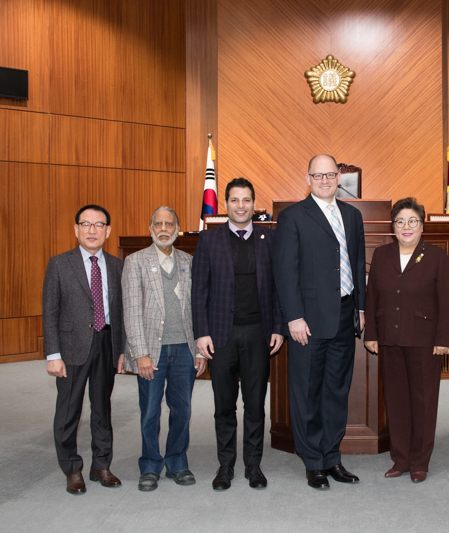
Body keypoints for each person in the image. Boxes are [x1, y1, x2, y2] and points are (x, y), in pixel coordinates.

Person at [272, 154, 366, 490]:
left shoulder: (353, 216)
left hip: (344, 314)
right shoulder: (293, 217)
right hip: (307, 321)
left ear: (339, 177)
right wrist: (293, 316)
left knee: (336, 391)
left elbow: (356, 263)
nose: (325, 180)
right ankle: (313, 461)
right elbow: (284, 271)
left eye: (330, 174)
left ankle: (332, 456)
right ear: (308, 177)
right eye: (318, 174)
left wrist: (362, 308)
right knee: (307, 392)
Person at [191, 177, 285, 491]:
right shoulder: (209, 240)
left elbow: (277, 289)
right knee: (224, 405)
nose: (241, 206)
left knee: (256, 405)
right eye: (234, 200)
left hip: (259, 333)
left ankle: (254, 466)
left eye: (246, 200)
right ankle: (226, 466)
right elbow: (199, 290)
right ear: (225, 204)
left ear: (253, 204)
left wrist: (278, 328)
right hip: (221, 335)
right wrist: (201, 332)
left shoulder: (269, 239)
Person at [363, 198, 449, 483]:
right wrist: (372, 335)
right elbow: (372, 296)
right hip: (389, 339)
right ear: (393, 226)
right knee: (396, 400)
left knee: (423, 402)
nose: (406, 227)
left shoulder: (436, 256)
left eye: (412, 221)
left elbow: (447, 300)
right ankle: (400, 459)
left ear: (422, 225)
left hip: (425, 340)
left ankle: (419, 461)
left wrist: (443, 338)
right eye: (400, 221)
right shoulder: (381, 254)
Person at [42, 204, 126, 494]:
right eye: (86, 224)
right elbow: (50, 312)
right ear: (76, 229)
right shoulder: (59, 264)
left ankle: (101, 465)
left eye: (99, 225)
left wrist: (122, 349)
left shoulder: (117, 265)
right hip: (71, 348)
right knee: (68, 412)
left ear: (108, 231)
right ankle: (72, 468)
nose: (92, 230)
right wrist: (53, 354)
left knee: (103, 409)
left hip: (106, 344)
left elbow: (121, 312)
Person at [122, 206, 205, 492]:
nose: (163, 228)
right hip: (151, 351)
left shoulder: (189, 261)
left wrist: (199, 350)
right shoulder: (135, 262)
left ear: (178, 229)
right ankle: (149, 465)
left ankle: (177, 461)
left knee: (182, 409)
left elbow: (198, 309)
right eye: (158, 223)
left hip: (184, 348)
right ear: (150, 228)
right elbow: (131, 312)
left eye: (169, 224)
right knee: (150, 411)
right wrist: (140, 353)